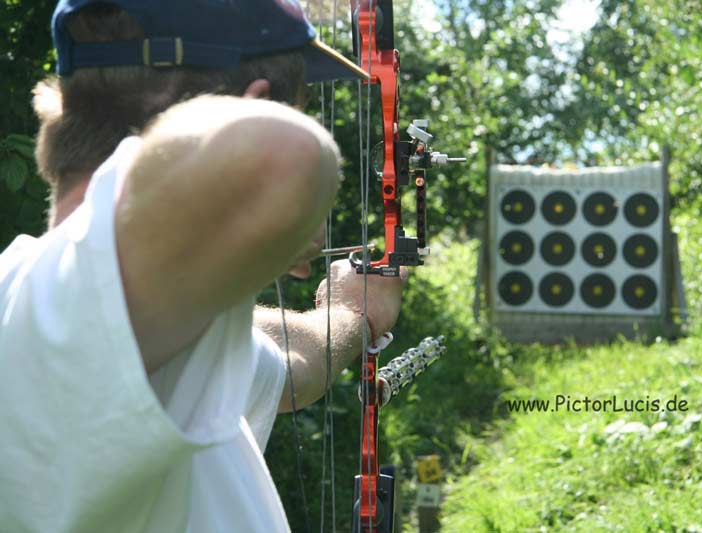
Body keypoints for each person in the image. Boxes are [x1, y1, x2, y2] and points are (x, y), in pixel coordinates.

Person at [0, 0, 404, 531]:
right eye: (294, 108)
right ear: (246, 112)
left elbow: (288, 363)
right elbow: (289, 154)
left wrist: (355, 313)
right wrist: (266, 194)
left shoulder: (158, 332)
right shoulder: (49, 308)